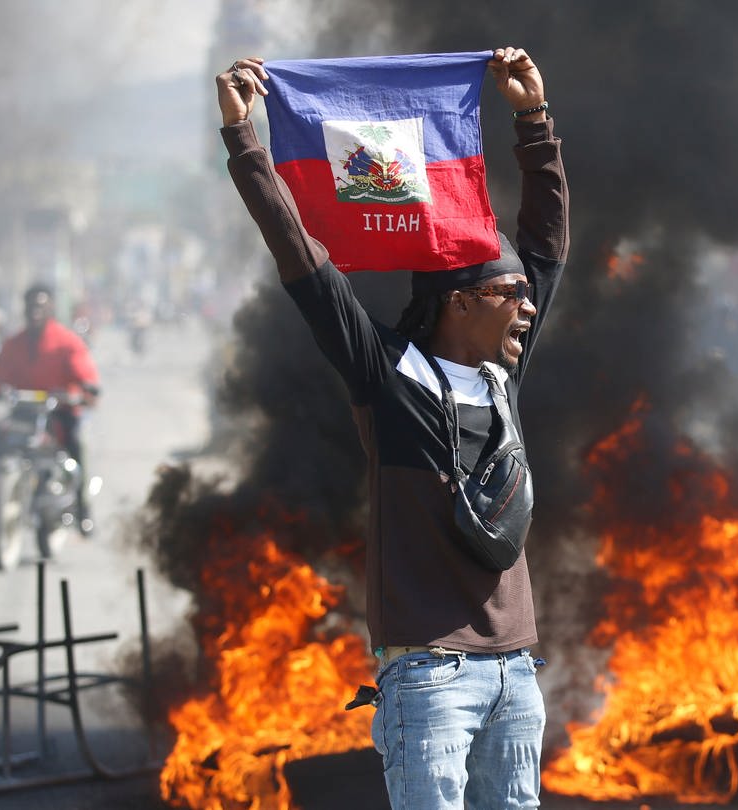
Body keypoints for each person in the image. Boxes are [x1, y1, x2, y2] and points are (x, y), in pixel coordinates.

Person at [218, 47, 567, 809]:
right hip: (429, 676)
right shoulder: (387, 376)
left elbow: (545, 248)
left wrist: (532, 119)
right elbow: (303, 259)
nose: (529, 305)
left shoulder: (503, 377)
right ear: (461, 303)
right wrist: (246, 142)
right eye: (511, 293)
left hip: (517, 672)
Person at [0, 283, 101, 533]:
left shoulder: (67, 342)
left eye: (41, 305)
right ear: (24, 309)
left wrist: (84, 391)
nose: (35, 311)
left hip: (60, 412)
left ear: (51, 308)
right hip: (24, 412)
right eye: (31, 305)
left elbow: (86, 375)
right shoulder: (14, 344)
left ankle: (82, 508)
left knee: (77, 444)